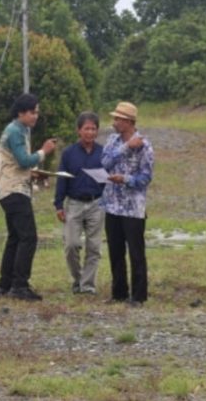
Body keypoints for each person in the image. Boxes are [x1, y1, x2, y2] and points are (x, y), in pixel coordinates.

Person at [0, 93, 56, 300]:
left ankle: (4, 283)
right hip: (15, 190)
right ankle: (20, 286)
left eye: (37, 112)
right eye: (32, 112)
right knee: (28, 237)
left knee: (15, 237)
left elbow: (16, 162)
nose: (35, 116)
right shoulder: (16, 132)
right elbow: (22, 160)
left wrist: (33, 172)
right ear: (21, 112)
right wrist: (43, 152)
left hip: (7, 189)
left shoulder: (16, 129)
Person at [100, 102, 154, 306]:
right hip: (112, 204)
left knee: (136, 252)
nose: (114, 123)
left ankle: (139, 296)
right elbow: (104, 163)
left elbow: (146, 178)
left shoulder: (145, 146)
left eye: (118, 119)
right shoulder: (113, 141)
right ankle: (119, 292)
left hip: (133, 207)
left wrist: (125, 179)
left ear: (129, 122)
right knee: (115, 250)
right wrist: (124, 148)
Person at [54, 112, 105, 295]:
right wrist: (58, 205)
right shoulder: (68, 153)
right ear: (79, 130)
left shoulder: (103, 152)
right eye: (86, 128)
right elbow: (61, 180)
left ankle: (88, 286)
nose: (90, 132)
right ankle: (78, 280)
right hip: (74, 204)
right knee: (71, 245)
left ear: (97, 131)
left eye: (93, 129)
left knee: (94, 247)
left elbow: (109, 179)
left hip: (97, 204)